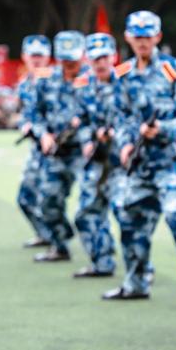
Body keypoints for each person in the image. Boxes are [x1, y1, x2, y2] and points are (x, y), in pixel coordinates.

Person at [106, 10, 176, 301]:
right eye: (137, 37)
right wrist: (126, 142)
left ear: (158, 37)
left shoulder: (174, 70)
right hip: (139, 163)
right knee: (130, 219)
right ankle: (136, 282)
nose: (143, 42)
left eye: (148, 36)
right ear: (128, 38)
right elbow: (120, 116)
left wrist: (162, 129)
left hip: (170, 159)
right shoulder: (123, 74)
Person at [27, 31, 90, 263]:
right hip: (56, 152)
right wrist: (43, 135)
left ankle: (102, 258)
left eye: (73, 59)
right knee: (47, 201)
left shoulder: (92, 79)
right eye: (64, 59)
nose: (69, 64)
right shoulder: (46, 80)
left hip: (86, 153)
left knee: (90, 205)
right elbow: (35, 113)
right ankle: (60, 244)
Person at [72, 32, 121, 278]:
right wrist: (88, 139)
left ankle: (141, 270)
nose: (100, 63)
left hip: (123, 161)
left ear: (113, 57)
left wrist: (115, 134)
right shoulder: (83, 86)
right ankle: (102, 261)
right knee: (85, 213)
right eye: (95, 58)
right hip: (96, 159)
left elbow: (134, 117)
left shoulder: (126, 83)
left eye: (104, 57)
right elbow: (80, 120)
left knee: (127, 215)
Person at [15, 34, 52, 248]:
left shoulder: (55, 83)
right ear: (24, 57)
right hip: (37, 149)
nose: (36, 60)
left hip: (57, 148)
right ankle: (45, 234)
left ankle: (58, 239)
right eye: (33, 55)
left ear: (48, 57)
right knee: (25, 197)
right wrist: (25, 125)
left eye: (40, 55)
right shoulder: (24, 84)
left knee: (50, 197)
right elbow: (24, 114)